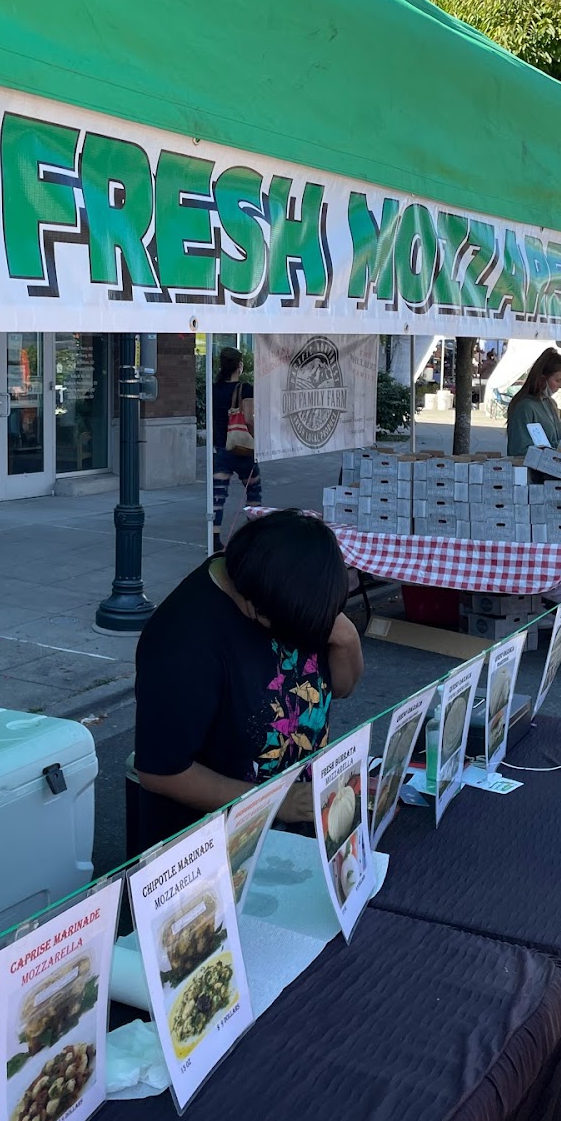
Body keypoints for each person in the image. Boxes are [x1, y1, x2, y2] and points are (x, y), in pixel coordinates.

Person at [130, 509, 365, 854]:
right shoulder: (183, 642)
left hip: (294, 820)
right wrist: (276, 799)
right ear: (257, 608)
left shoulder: (293, 589)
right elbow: (161, 772)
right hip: (213, 851)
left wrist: (346, 638)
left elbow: (342, 688)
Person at [211, 346, 261, 552]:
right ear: (239, 365)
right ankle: (251, 537)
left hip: (221, 448)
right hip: (243, 448)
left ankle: (214, 540)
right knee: (253, 492)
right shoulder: (245, 388)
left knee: (218, 497)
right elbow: (249, 419)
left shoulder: (213, 389)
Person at [505, 348, 561, 457]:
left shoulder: (551, 403)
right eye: (558, 380)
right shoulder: (524, 407)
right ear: (543, 378)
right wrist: (559, 446)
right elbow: (519, 450)